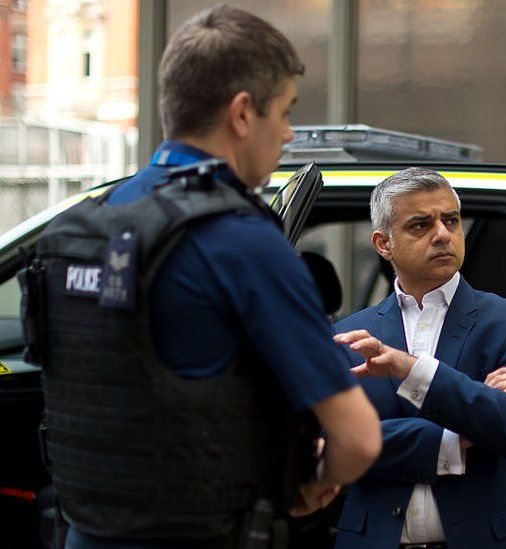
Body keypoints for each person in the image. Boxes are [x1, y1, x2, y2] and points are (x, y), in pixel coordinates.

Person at [23, 5, 380, 548]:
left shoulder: (87, 222)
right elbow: (357, 439)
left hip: (83, 531)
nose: (287, 133)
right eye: (283, 112)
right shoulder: (242, 242)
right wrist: (313, 484)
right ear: (242, 114)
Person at [330, 167, 506, 549]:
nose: (442, 234)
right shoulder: (351, 335)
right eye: (421, 225)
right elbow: (335, 447)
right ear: (384, 244)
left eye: (451, 220)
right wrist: (462, 432)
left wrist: (411, 370)